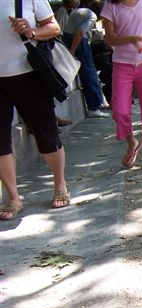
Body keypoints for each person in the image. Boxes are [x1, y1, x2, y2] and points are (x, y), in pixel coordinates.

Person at [1, 1, 71, 220]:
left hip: (28, 73)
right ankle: (13, 198)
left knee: (46, 133)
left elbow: (53, 27)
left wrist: (30, 31)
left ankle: (60, 185)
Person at [100, 0, 142, 171]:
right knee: (120, 109)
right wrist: (132, 39)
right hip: (122, 64)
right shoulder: (110, 6)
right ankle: (132, 142)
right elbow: (109, 38)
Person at [61, 0, 110, 118]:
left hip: (69, 39)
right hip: (79, 43)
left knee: (88, 73)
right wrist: (72, 52)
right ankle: (94, 107)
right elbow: (79, 33)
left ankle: (94, 104)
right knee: (90, 74)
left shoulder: (79, 11)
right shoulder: (91, 16)